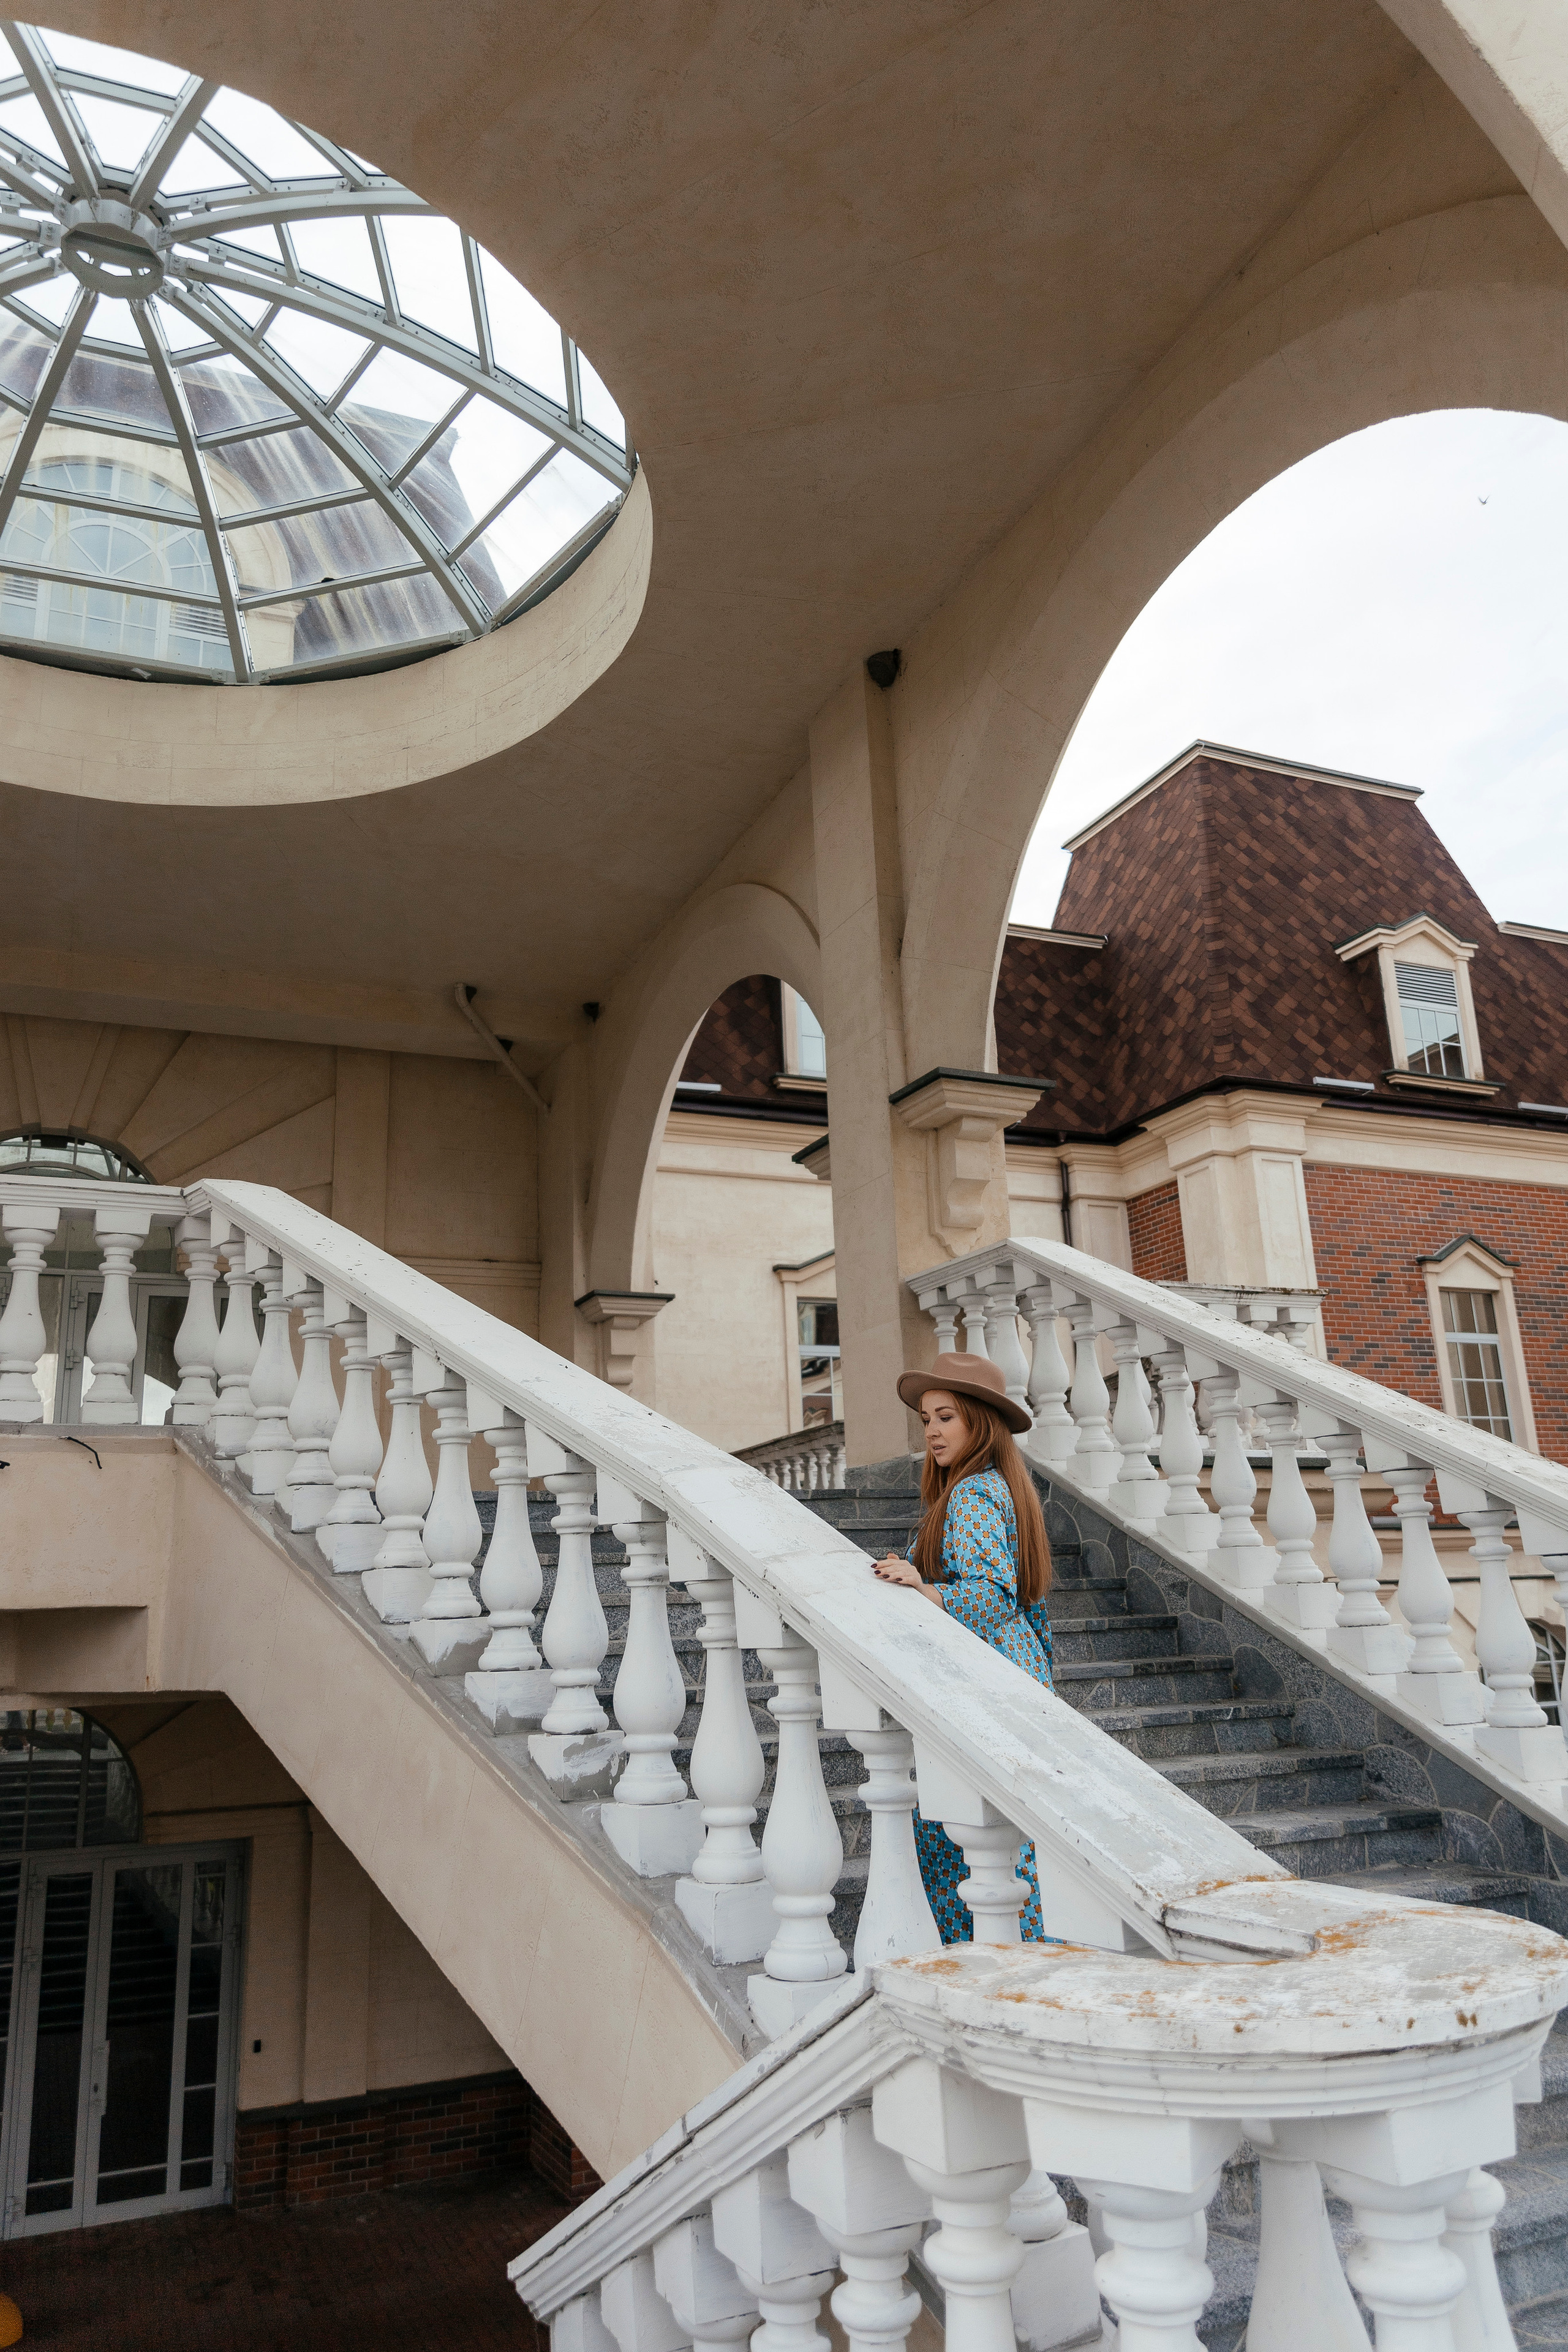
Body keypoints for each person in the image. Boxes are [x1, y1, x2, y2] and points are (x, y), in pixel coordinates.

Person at [873, 1351, 1055, 1942]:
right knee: (1004, 1844)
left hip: (986, 1685)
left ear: (981, 1422)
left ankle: (993, 1960)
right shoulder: (1002, 1487)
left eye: (946, 1417)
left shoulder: (972, 1495)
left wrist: (926, 1590)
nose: (931, 1431)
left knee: (958, 1839)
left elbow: (992, 1596)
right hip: (1014, 1676)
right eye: (927, 1418)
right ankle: (1025, 1957)